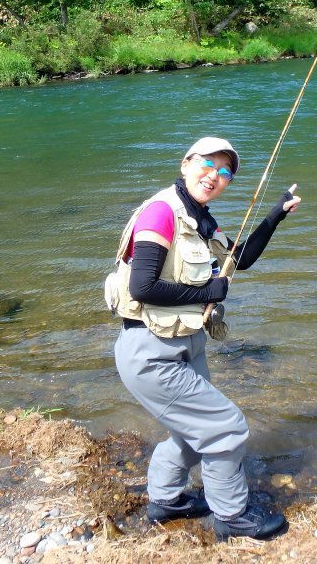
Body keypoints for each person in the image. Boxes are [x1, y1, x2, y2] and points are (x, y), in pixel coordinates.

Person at [105, 137, 300, 541]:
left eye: (225, 171)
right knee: (226, 429)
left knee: (195, 431)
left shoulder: (200, 218)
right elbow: (143, 287)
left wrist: (275, 215)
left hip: (185, 346)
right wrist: (206, 293)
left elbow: (239, 259)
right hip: (150, 353)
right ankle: (232, 515)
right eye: (207, 164)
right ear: (186, 163)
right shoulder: (161, 212)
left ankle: (167, 500)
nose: (215, 175)